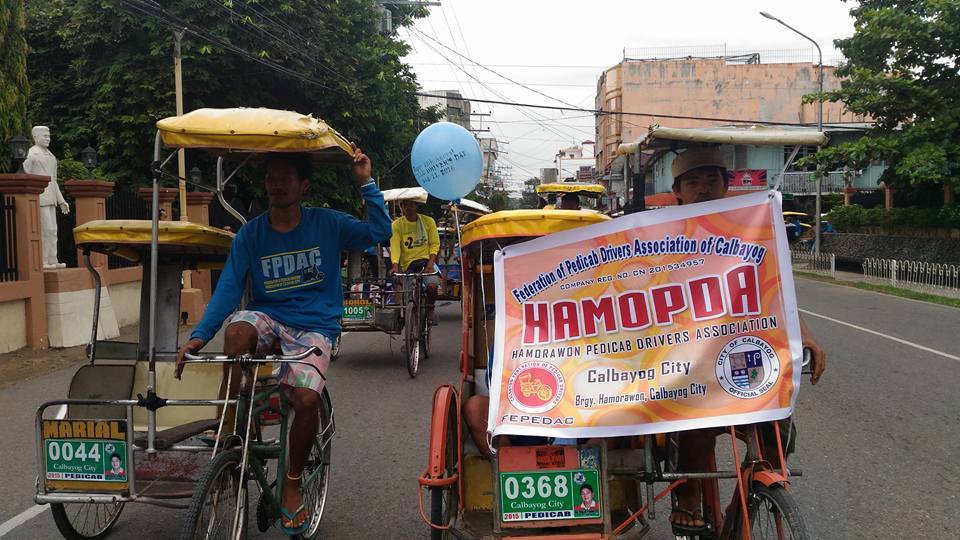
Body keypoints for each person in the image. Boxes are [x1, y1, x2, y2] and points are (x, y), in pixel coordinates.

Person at [175, 149, 390, 535]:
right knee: (237, 333)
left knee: (305, 399)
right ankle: (231, 426)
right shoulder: (251, 233)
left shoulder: (328, 223)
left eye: (285, 178)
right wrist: (198, 336)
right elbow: (228, 288)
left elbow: (379, 232)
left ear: (303, 185)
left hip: (315, 325)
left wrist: (366, 183)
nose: (276, 185)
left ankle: (291, 484)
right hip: (268, 317)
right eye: (271, 178)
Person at [667, 147, 826, 535]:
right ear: (678, 191)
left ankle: (751, 496)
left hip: (743, 356)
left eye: (712, 180)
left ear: (725, 185)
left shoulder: (752, 229)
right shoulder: (663, 234)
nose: (703, 189)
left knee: (777, 432)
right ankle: (688, 496)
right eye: (693, 182)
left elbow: (777, 291)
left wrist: (804, 335)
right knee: (695, 426)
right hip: (690, 359)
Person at [389, 198, 440, 324]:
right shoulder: (397, 225)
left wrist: (430, 264)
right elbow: (395, 246)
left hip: (426, 263)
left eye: (411, 204)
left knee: (432, 287)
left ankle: (430, 307)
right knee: (408, 295)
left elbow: (434, 244)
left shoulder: (428, 221)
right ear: (401, 207)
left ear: (416, 205)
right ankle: (410, 324)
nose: (409, 207)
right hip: (408, 266)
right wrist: (395, 265)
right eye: (405, 204)